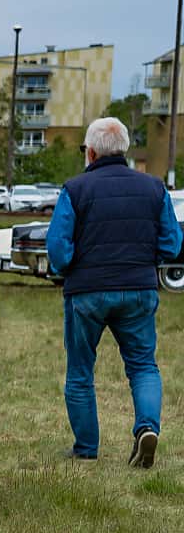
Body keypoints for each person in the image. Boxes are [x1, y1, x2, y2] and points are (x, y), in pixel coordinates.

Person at [47, 116, 182, 466]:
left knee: (81, 371)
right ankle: (147, 428)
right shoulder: (154, 188)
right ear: (123, 148)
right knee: (142, 367)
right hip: (139, 288)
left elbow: (58, 250)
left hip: (87, 292)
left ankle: (86, 448)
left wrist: (70, 268)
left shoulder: (75, 189)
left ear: (90, 151)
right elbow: (172, 245)